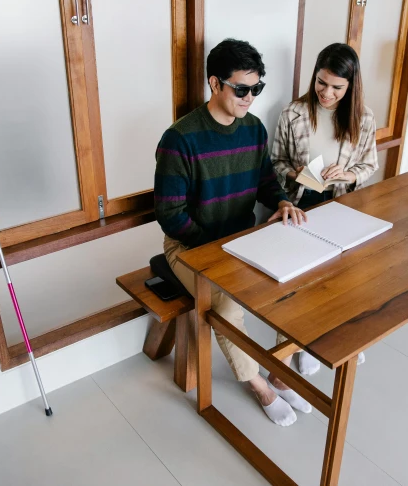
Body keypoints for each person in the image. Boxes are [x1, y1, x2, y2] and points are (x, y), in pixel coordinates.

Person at [154, 39, 311, 427]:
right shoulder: (181, 139)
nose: (250, 98)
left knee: (296, 279)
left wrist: (283, 202)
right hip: (189, 248)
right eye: (241, 89)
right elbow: (170, 215)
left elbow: (266, 184)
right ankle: (260, 384)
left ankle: (280, 369)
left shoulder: (253, 129)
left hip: (243, 242)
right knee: (224, 306)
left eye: (256, 89)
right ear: (215, 83)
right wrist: (214, 249)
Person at [271, 42, 377, 375]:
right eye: (321, 82)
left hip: (343, 204)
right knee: (300, 286)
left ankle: (332, 340)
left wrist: (348, 173)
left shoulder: (364, 118)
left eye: (336, 87)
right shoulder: (293, 113)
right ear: (314, 75)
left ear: (351, 86)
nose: (326, 92)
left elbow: (369, 164)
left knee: (342, 280)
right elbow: (276, 161)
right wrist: (297, 173)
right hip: (303, 204)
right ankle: (298, 345)